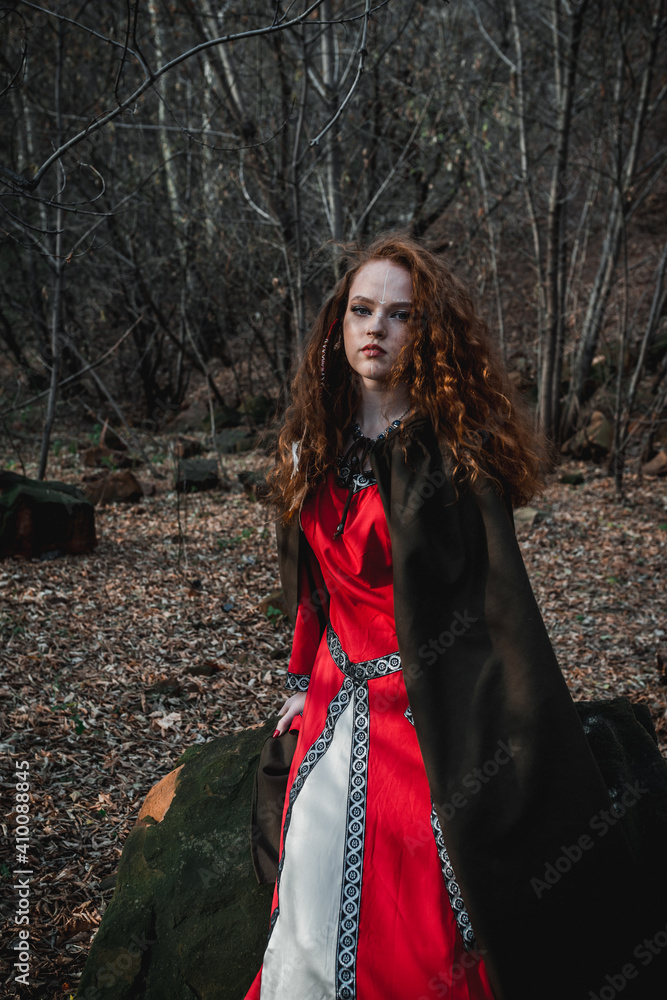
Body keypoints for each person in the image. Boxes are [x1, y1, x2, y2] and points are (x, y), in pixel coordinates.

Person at [243, 233, 666, 1000]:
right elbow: (312, 588)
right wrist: (299, 679)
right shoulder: (312, 445)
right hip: (339, 694)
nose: (375, 329)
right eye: (361, 310)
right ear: (338, 326)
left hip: (427, 701)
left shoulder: (453, 457)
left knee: (425, 892)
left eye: (398, 316)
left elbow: (492, 610)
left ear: (425, 334)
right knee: (311, 863)